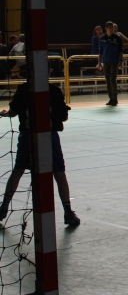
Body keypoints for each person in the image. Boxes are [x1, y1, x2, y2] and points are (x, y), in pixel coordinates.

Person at [0, 83, 80, 226]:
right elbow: (63, 117)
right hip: (49, 137)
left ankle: (4, 207)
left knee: (18, 170)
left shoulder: (24, 89)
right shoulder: (54, 90)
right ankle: (68, 211)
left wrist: (5, 113)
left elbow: (13, 111)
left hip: (27, 136)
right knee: (58, 172)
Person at [97, 21, 123, 106]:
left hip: (114, 61)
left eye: (113, 28)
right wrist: (99, 62)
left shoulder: (117, 38)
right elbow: (100, 51)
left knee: (112, 79)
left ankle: (115, 98)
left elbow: (120, 51)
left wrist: (121, 61)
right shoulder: (102, 38)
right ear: (106, 28)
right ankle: (110, 98)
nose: (112, 29)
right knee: (107, 80)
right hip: (106, 61)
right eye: (110, 28)